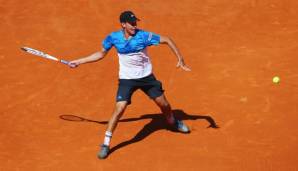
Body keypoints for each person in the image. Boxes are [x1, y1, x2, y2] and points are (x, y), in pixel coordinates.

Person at [68, 11, 191, 159]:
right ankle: (106, 144)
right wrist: (79, 61)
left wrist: (180, 58)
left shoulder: (144, 36)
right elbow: (101, 54)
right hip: (127, 80)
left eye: (135, 23)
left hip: (147, 78)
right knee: (119, 109)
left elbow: (167, 40)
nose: (135, 25)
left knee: (164, 104)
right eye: (131, 23)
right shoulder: (113, 38)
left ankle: (172, 121)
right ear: (123, 24)